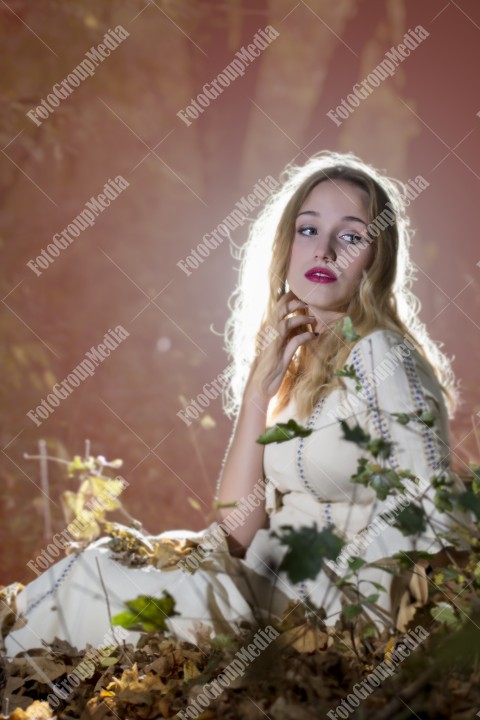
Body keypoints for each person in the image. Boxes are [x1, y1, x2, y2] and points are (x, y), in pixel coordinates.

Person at [5, 150, 465, 655]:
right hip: (252, 581)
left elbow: (430, 511)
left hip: (307, 614)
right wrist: (255, 397)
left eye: (351, 236)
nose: (325, 250)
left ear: (377, 260)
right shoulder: (300, 362)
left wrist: (347, 626)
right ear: (287, 244)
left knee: (88, 589)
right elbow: (237, 530)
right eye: (309, 230)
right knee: (86, 570)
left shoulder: (382, 354)